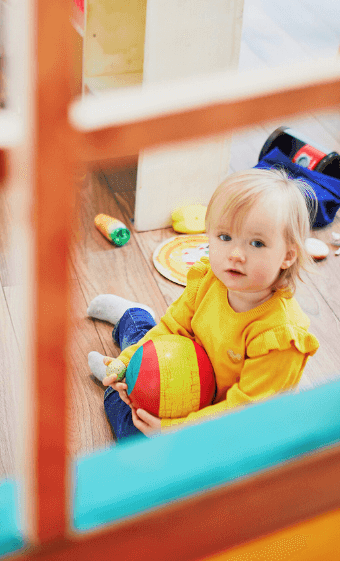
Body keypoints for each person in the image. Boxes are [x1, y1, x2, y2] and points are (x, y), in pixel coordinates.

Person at [87, 168, 321, 440]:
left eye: (256, 243)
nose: (235, 254)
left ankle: (133, 326)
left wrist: (175, 430)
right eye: (224, 237)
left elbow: (245, 413)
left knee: (137, 439)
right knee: (126, 399)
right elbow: (172, 328)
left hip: (229, 424)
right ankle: (134, 320)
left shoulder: (279, 337)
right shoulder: (209, 279)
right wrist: (127, 363)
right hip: (182, 376)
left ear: (287, 256)